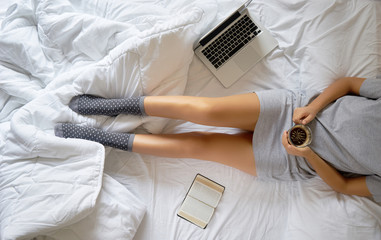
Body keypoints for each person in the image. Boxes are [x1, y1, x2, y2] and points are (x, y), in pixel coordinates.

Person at [55, 77, 381, 202]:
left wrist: (306, 153)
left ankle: (101, 138)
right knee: (207, 112)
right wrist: (312, 107)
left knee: (198, 145)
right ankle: (115, 107)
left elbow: (345, 186)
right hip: (294, 110)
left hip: (294, 159)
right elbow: (350, 84)